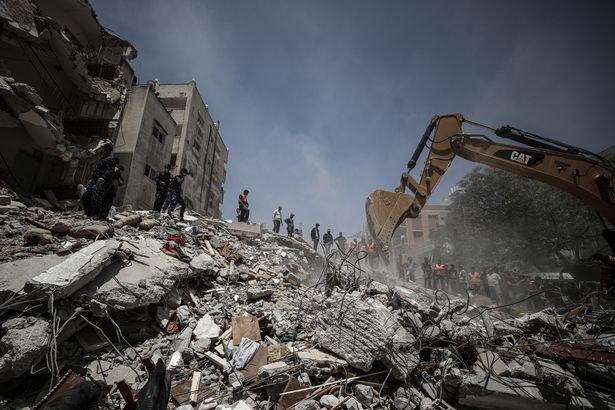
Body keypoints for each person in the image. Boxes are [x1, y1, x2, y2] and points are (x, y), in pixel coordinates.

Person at [81, 139, 118, 220]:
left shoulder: (110, 159)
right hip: (95, 180)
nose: (102, 150)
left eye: (105, 149)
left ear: (108, 150)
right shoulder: (102, 159)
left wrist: (103, 177)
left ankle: (97, 215)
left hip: (103, 181)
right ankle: (88, 213)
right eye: (102, 149)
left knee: (96, 196)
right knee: (86, 195)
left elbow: (110, 170)